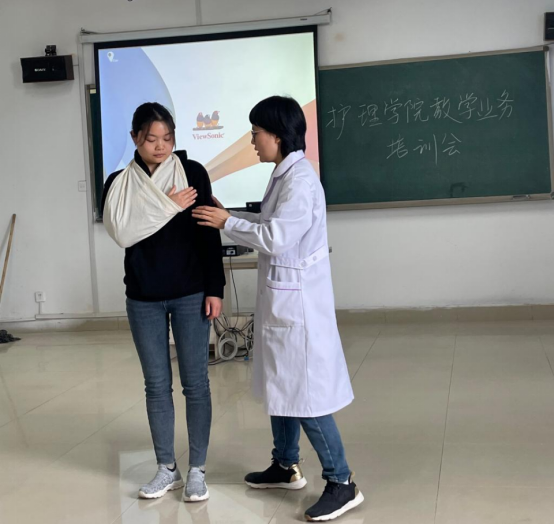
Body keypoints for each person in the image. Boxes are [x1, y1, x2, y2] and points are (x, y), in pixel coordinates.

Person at [192, 96, 363, 521]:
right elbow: (271, 225)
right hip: (283, 301)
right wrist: (229, 215)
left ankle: (342, 481)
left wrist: (227, 223)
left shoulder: (300, 181)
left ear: (278, 135)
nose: (252, 141)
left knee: (304, 395)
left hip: (298, 307)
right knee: (281, 386)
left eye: (256, 133)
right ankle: (285, 465)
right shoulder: (284, 174)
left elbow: (276, 238)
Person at [102, 102, 225, 502]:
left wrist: (215, 288)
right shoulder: (118, 183)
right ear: (135, 138)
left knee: (196, 383)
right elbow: (122, 231)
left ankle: (197, 470)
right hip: (143, 296)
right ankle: (166, 468)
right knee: (156, 385)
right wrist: (168, 205)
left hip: (191, 292)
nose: (160, 146)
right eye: (151, 139)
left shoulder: (192, 173)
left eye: (167, 138)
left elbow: (208, 231)